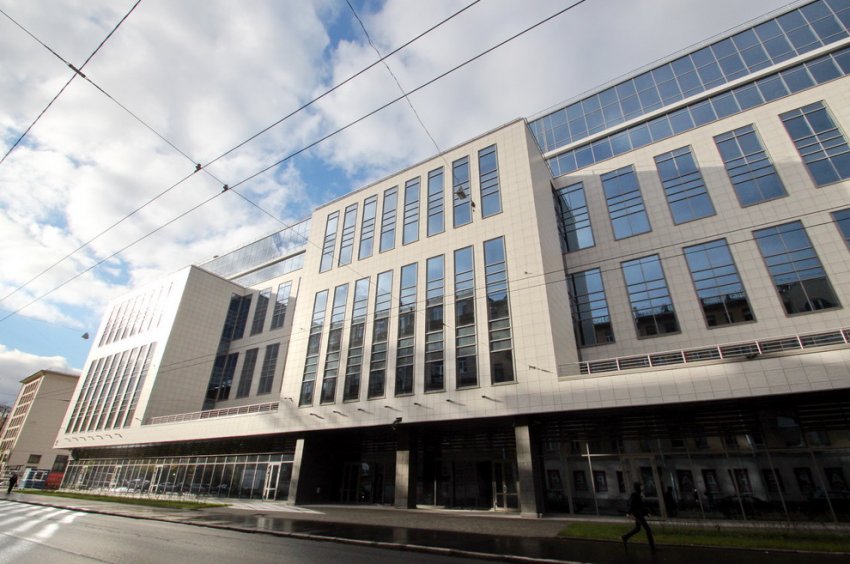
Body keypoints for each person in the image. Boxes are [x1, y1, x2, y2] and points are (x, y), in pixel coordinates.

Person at [622, 482, 656, 552]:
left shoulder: (639, 494)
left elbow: (641, 506)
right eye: (641, 486)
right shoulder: (634, 494)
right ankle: (652, 548)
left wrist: (647, 512)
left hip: (639, 513)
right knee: (648, 529)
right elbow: (631, 504)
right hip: (638, 514)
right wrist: (628, 513)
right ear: (638, 487)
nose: (642, 487)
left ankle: (625, 537)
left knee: (638, 528)